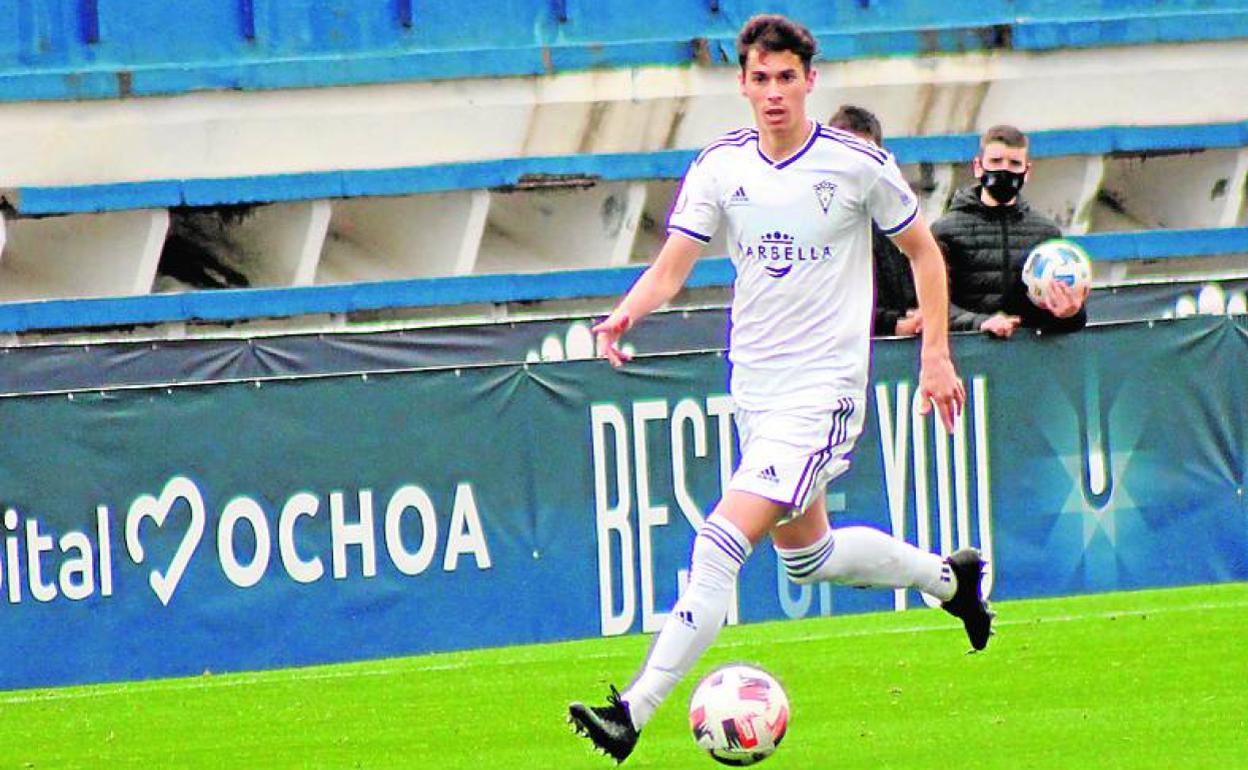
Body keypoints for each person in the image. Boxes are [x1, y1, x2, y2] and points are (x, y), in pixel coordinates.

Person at [568, 15, 993, 764]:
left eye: (786, 78)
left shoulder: (855, 165)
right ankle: (949, 580)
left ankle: (631, 710)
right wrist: (627, 313)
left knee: (719, 540)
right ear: (742, 83)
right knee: (809, 557)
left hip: (824, 391)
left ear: (809, 81)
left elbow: (924, 255)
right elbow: (672, 267)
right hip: (756, 390)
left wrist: (936, 355)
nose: (773, 93)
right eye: (760, 78)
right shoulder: (721, 167)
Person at [933, 124, 1088, 338]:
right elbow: (931, 305)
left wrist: (1070, 313)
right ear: (978, 167)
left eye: (1014, 164)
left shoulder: (1045, 234)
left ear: (1027, 171)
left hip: (1026, 354)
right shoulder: (945, 231)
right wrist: (981, 323)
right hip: (967, 352)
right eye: (996, 162)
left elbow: (1063, 317)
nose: (1004, 170)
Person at [828, 104, 921, 337]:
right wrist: (891, 324)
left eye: (866, 156)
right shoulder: (814, 224)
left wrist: (918, 316)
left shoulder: (898, 223)